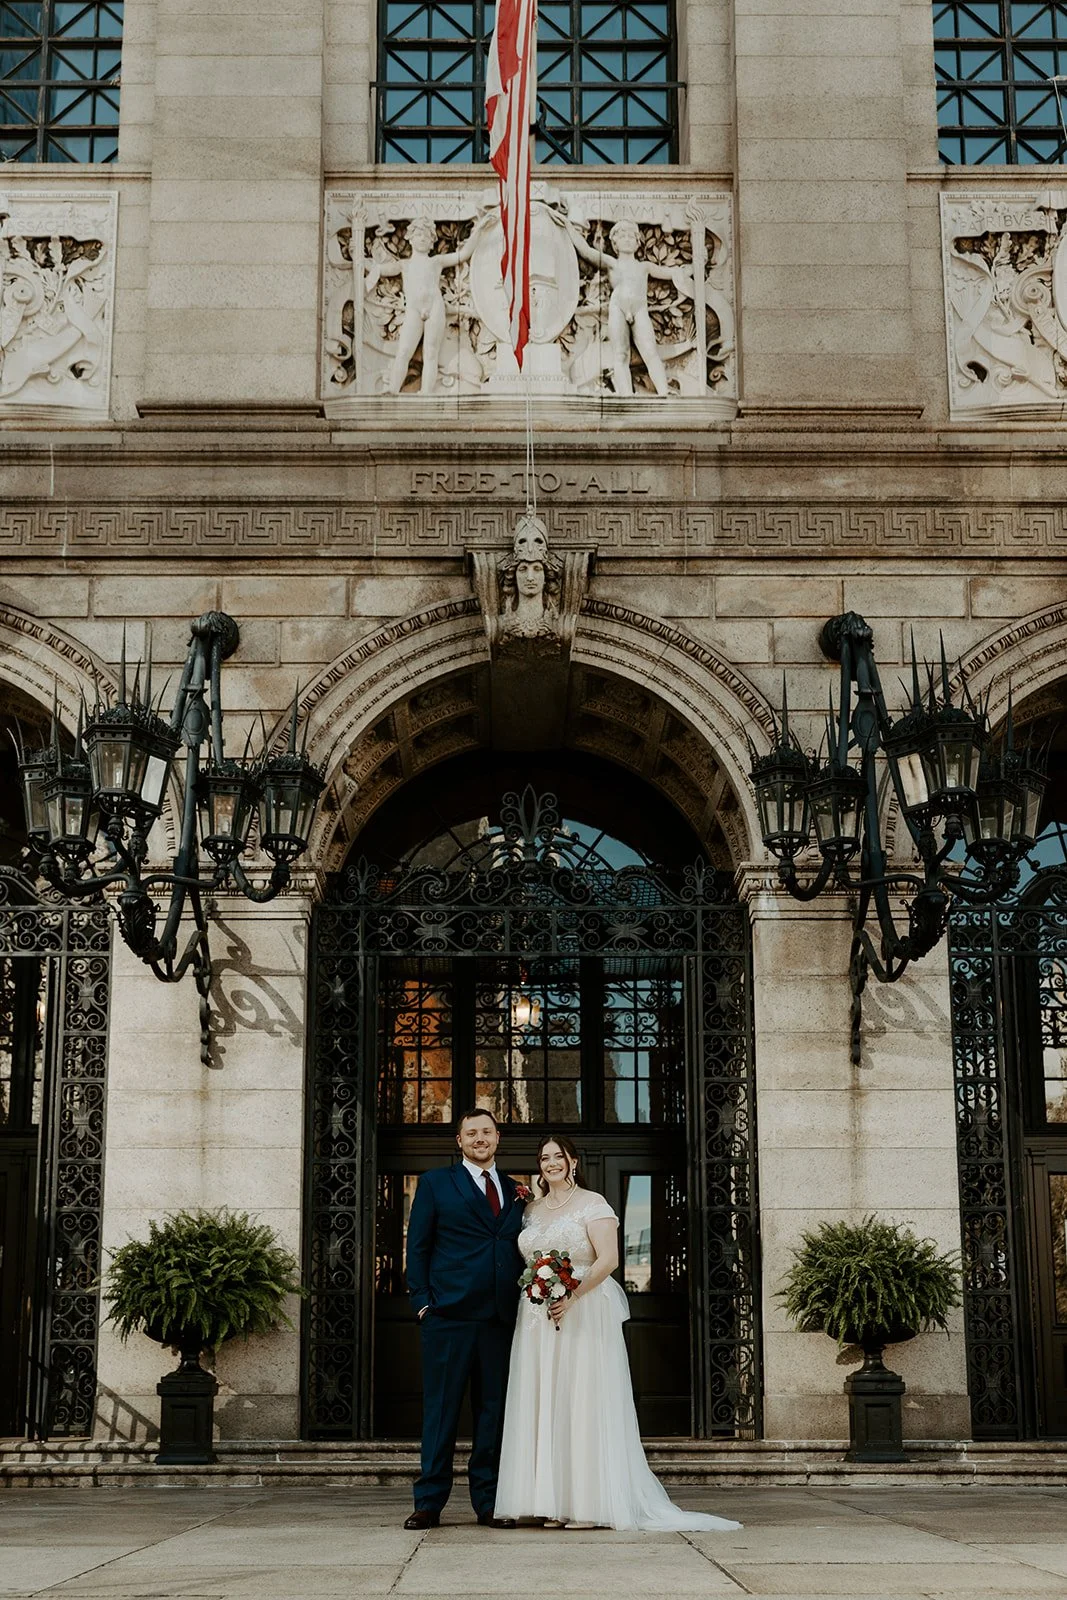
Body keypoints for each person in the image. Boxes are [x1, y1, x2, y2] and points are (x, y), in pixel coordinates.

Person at [494, 1133, 742, 1533]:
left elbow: (608, 1259)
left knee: (581, 1402)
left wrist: (571, 1295)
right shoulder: (531, 1210)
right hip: (538, 1316)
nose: (552, 1163)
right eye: (544, 1158)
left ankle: (588, 1505)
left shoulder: (594, 1205)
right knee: (546, 1401)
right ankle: (552, 1502)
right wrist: (542, 1289)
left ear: (573, 1161)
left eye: (559, 1156)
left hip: (583, 1310)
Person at [403, 1107, 525, 1529]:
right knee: (441, 1411)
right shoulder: (437, 1183)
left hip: (499, 1319)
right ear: (459, 1141)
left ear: (497, 1138)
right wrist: (422, 1301)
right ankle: (429, 1502)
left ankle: (488, 1502)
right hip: (448, 1316)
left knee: (492, 1412)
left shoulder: (515, 1190)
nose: (479, 1138)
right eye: (471, 1133)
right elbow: (417, 1246)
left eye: (486, 1132)